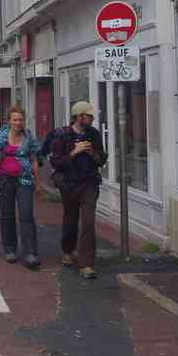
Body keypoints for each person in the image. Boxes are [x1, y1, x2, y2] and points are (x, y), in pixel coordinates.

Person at [50, 101, 108, 279]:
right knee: (70, 218)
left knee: (88, 221)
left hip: (89, 182)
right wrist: (74, 152)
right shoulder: (62, 135)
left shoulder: (94, 134)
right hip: (69, 183)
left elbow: (101, 160)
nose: (92, 118)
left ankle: (86, 263)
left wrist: (91, 153)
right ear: (79, 116)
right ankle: (68, 250)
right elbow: (56, 162)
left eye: (91, 116)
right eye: (89, 115)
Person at [0, 106, 41, 269]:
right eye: (15, 119)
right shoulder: (2, 136)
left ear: (24, 121)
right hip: (5, 180)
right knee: (7, 215)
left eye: (20, 119)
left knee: (26, 215)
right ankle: (10, 249)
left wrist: (38, 183)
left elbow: (34, 160)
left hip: (24, 180)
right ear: (9, 121)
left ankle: (30, 252)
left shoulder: (28, 137)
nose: (18, 122)